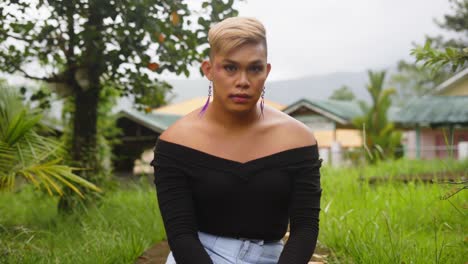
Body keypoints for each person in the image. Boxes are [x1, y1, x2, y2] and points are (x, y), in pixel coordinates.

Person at [151, 16, 322, 264]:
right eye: (230, 68)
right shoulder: (176, 142)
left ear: (267, 71)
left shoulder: (298, 139)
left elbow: (305, 229)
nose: (243, 81)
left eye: (254, 68)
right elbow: (181, 236)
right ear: (209, 70)